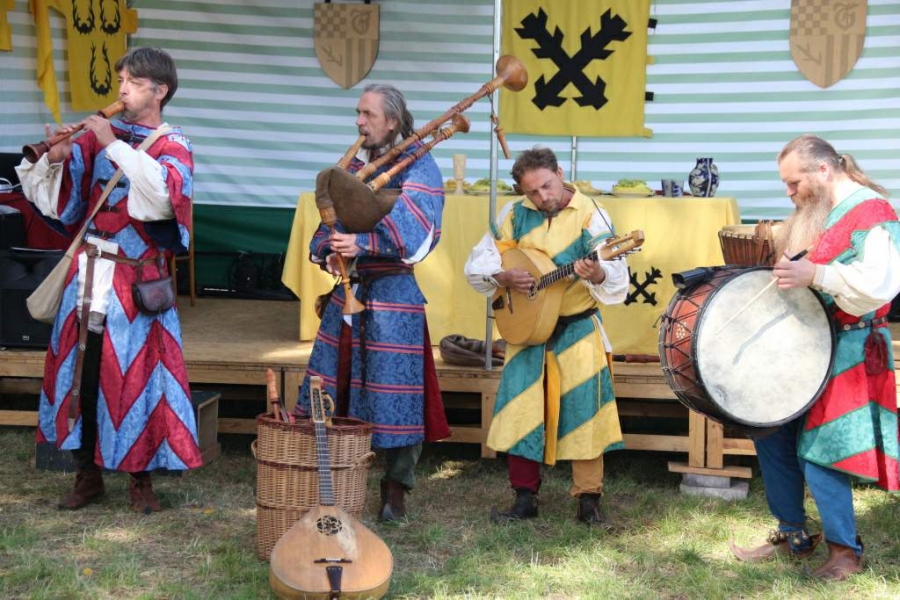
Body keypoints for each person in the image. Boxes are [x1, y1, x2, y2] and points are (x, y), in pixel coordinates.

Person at [16, 47, 201, 513]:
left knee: (139, 378)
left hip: (136, 284)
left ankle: (141, 482)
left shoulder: (173, 144)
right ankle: (87, 476)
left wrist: (111, 144)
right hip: (89, 275)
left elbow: (161, 197)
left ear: (160, 91)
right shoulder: (96, 139)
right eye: (121, 80)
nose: (123, 90)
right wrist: (56, 159)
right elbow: (65, 207)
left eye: (134, 83)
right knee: (82, 374)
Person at [729, 134, 900, 580]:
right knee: (771, 429)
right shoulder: (821, 210)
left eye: (794, 183)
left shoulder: (872, 212)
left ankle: (845, 551)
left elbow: (879, 285)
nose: (790, 193)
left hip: (850, 346)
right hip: (807, 343)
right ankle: (793, 533)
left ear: (823, 170)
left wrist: (816, 273)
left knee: (822, 448)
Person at [294, 83, 448, 521]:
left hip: (394, 293)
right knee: (332, 381)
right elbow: (327, 223)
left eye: (368, 115)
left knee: (398, 392)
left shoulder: (420, 164)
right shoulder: (356, 167)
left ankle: (395, 488)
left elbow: (417, 233)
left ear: (393, 121)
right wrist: (331, 250)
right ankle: (336, 479)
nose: (359, 122)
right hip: (350, 290)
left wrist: (363, 243)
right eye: (358, 114)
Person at [464, 147, 630, 527]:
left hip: (577, 326)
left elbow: (616, 277)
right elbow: (480, 261)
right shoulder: (513, 214)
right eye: (532, 192)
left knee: (586, 412)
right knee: (520, 409)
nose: (542, 197)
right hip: (527, 329)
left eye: (547, 186)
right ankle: (524, 498)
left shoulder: (592, 215)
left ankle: (589, 501)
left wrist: (597, 273)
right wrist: (503, 277)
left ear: (560, 174)